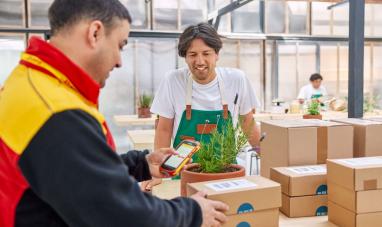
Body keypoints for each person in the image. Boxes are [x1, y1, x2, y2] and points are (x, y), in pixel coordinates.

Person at [0, 1, 229, 227]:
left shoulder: (31, 83)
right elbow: (119, 214)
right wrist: (193, 213)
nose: (120, 61)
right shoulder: (57, 112)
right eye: (120, 45)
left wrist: (140, 164)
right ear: (95, 33)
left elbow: (74, 172)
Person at [144, 23, 261, 190]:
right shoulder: (173, 80)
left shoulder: (236, 79)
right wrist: (158, 172)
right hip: (184, 171)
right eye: (192, 54)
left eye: (206, 53)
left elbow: (248, 123)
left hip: (226, 173)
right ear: (185, 56)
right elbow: (163, 129)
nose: (199, 61)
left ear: (217, 54)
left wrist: (266, 158)